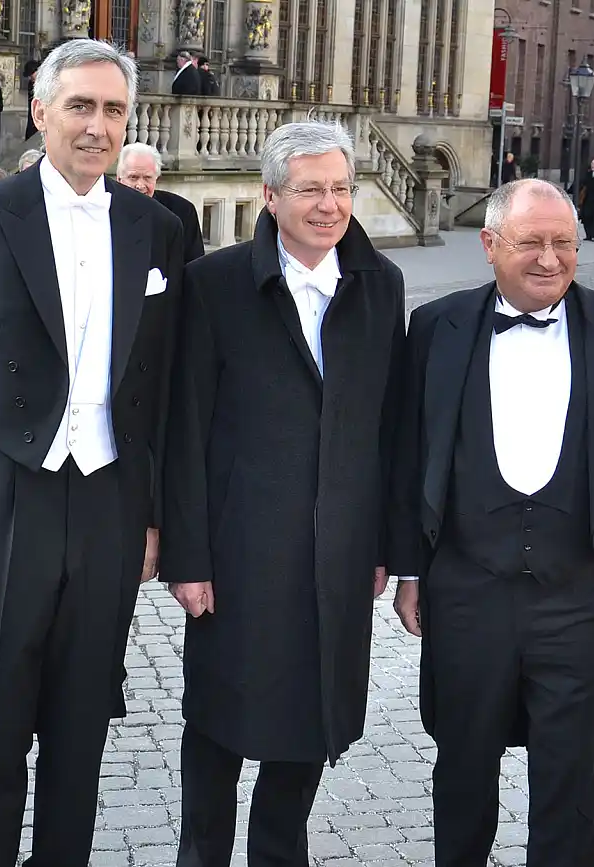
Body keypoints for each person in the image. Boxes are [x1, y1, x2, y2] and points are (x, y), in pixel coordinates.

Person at [0, 39, 184, 867]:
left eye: (114, 110)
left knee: (81, 727)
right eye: (81, 107)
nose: (97, 126)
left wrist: (157, 517)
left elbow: (159, 388)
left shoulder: (154, 229)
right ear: (41, 111)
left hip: (109, 501)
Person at [390, 178, 594, 867]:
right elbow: (410, 455)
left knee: (573, 776)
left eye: (564, 243)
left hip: (583, 596)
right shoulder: (436, 327)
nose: (550, 259)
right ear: (490, 245)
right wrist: (411, 569)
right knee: (462, 767)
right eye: (531, 242)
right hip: (467, 589)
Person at [161, 121, 405, 867]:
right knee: (218, 728)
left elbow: (389, 430)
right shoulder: (215, 283)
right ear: (270, 197)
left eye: (340, 188)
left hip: (337, 554)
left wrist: (384, 548)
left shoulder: (379, 284)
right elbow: (184, 428)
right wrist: (187, 556)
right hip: (238, 555)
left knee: (309, 724)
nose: (329, 205)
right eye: (310, 190)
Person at [116, 142, 204, 263]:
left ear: (156, 178)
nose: (140, 185)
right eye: (133, 177)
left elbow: (194, 266)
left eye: (147, 178)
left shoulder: (182, 211)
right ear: (119, 179)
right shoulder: (104, 210)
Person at [23, 59, 40, 140]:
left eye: (31, 74)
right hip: (33, 120)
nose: (30, 77)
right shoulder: (31, 84)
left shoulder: (47, 83)